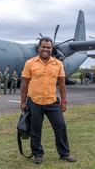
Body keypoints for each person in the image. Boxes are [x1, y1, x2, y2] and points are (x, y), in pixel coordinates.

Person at [20, 36, 76, 164]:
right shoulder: (30, 63)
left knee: (60, 126)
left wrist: (64, 101)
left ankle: (64, 154)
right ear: (39, 48)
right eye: (43, 47)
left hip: (52, 102)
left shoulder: (58, 64)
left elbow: (62, 84)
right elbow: (24, 85)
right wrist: (23, 102)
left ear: (51, 49)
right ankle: (37, 154)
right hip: (34, 101)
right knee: (35, 129)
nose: (46, 49)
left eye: (48, 47)